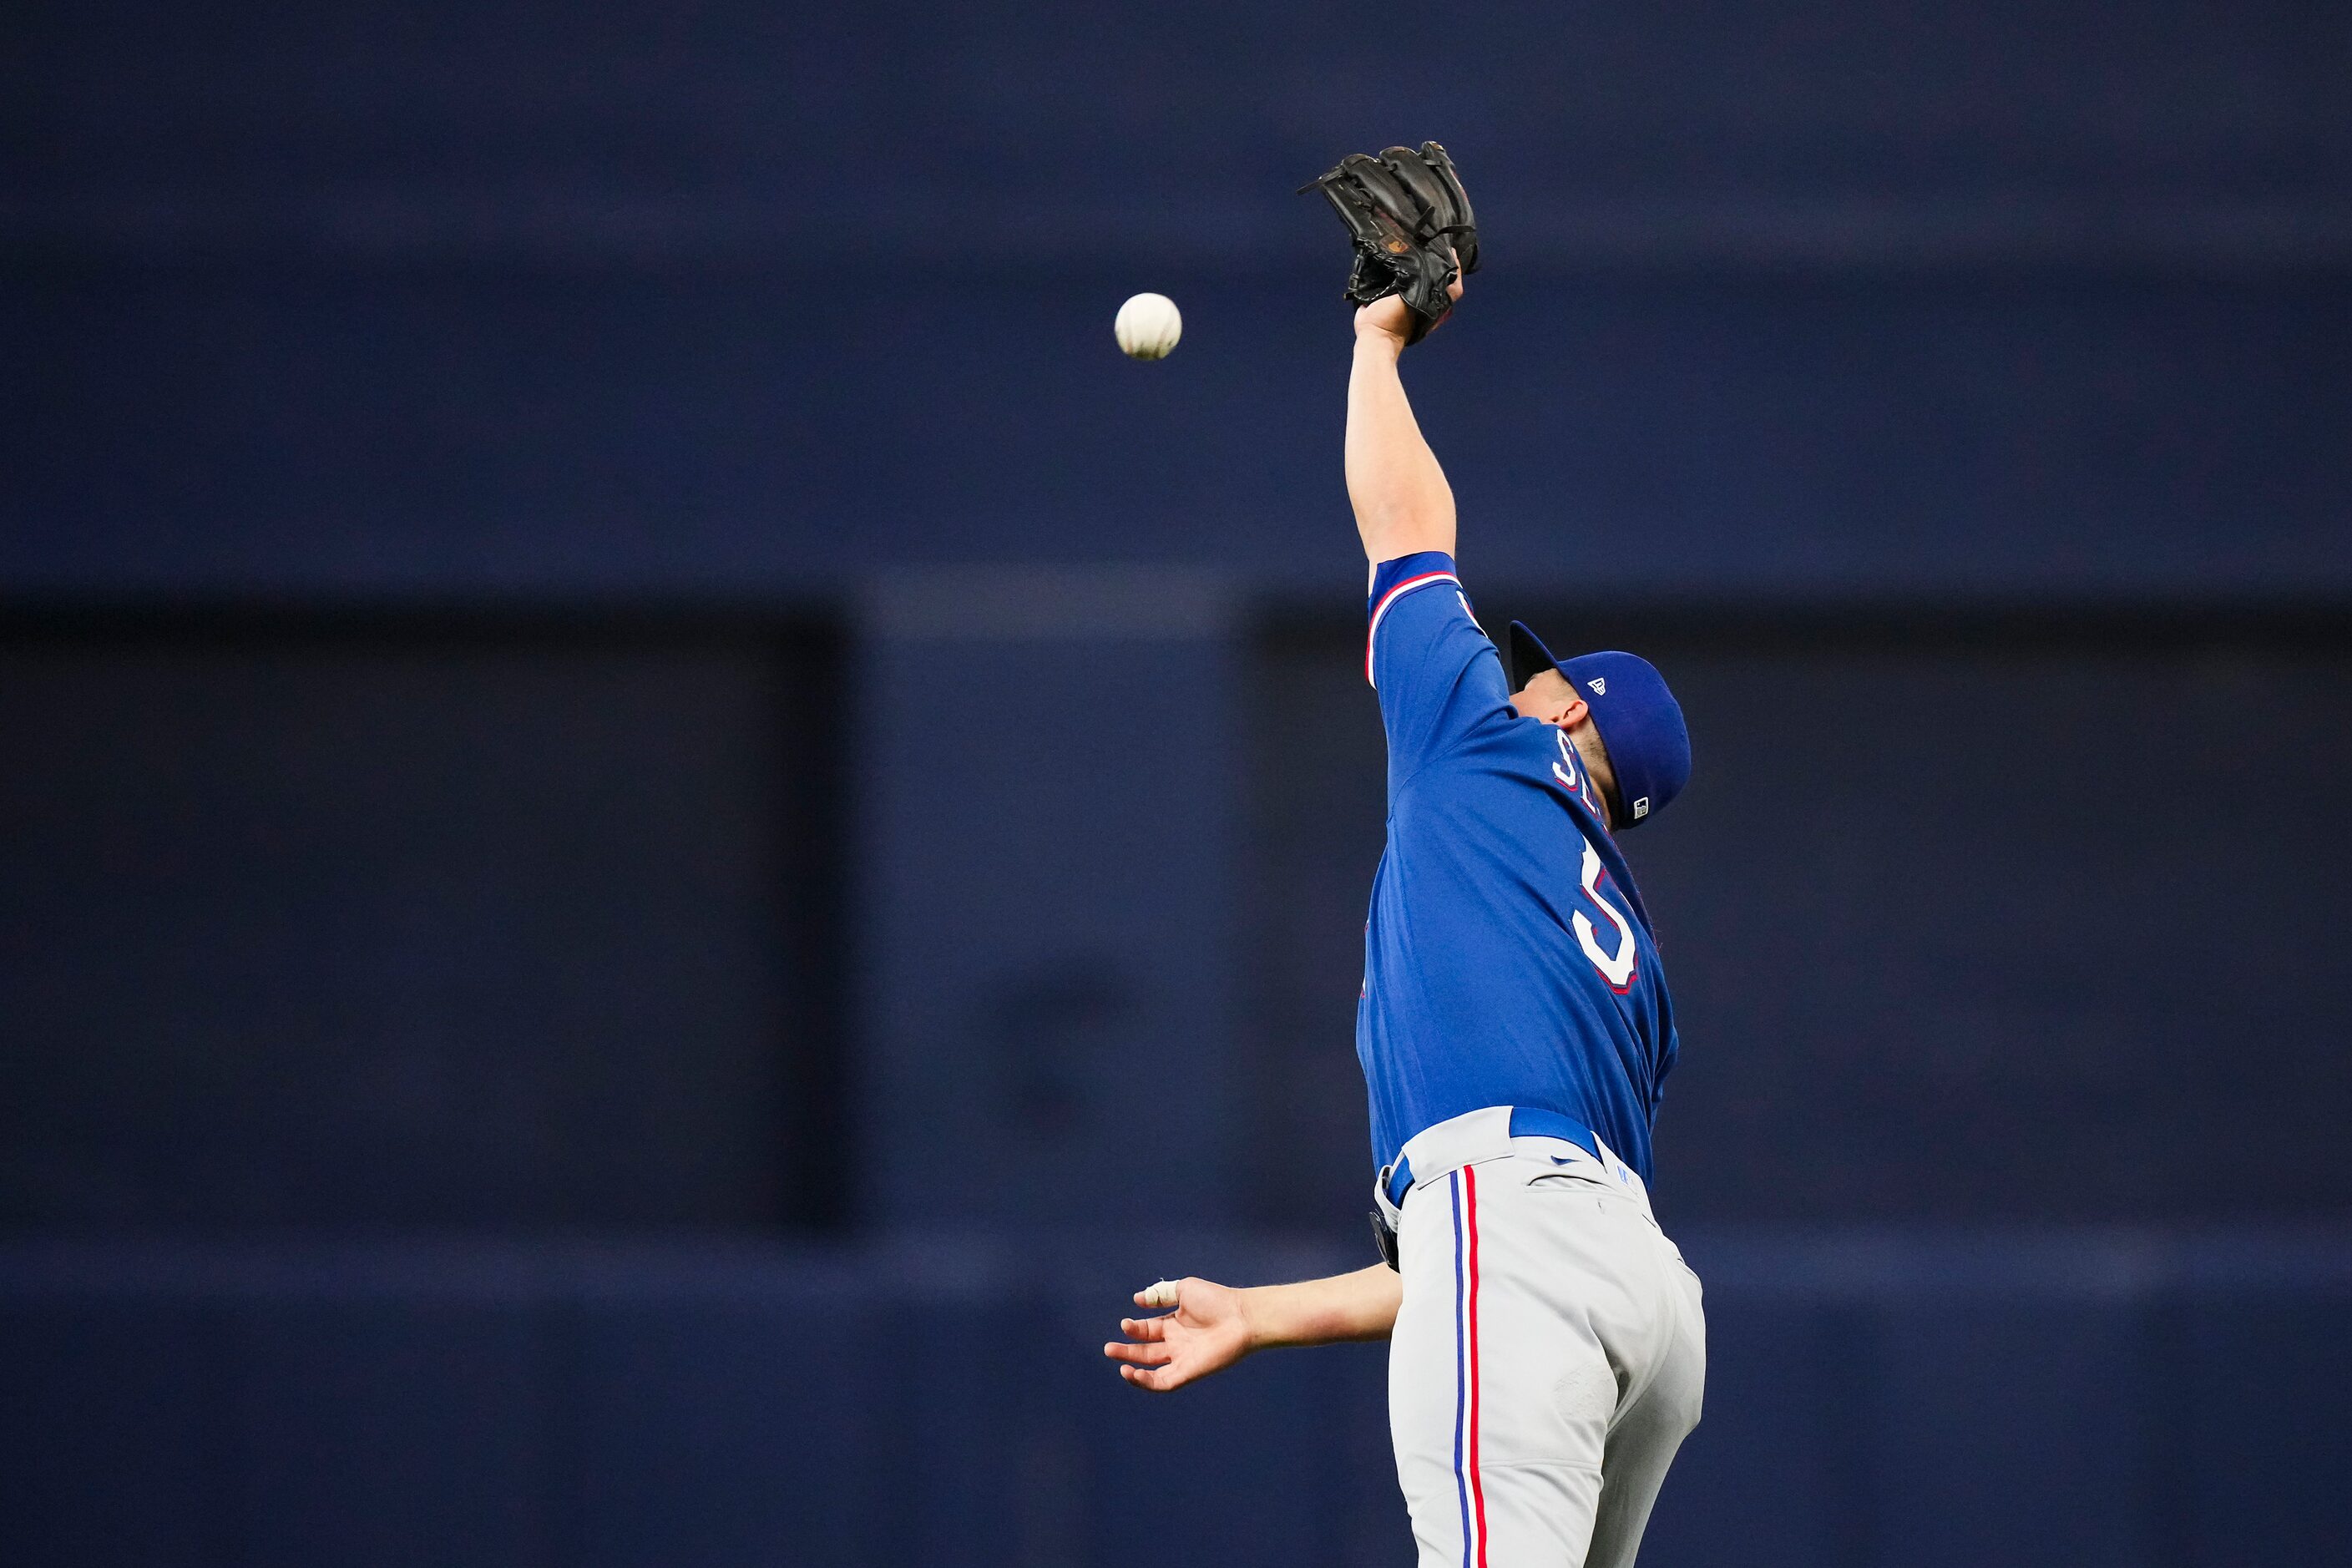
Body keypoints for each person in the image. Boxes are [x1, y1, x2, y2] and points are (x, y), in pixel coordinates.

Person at [1103, 275, 1706, 1568]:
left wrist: (1379, 346)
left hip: (1517, 1235)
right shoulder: (1634, 967)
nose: (1517, 666)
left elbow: (1406, 534)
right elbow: (1493, 1237)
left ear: (1572, 717)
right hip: (1649, 1302)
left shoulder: (1487, 745)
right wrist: (1261, 1316)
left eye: (1540, 667)